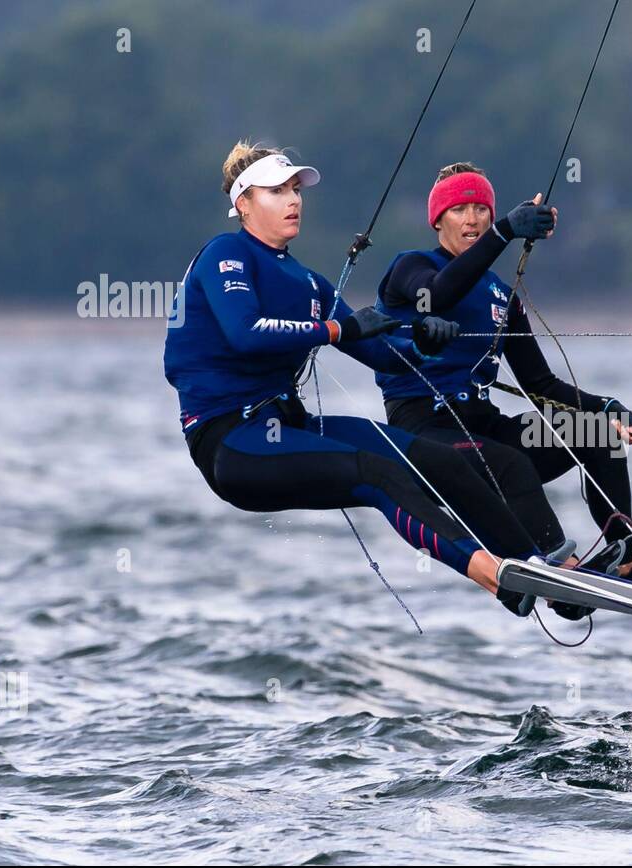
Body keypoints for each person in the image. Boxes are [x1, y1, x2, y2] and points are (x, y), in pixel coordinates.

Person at [163, 142, 554, 617]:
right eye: (276, 191)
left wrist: (422, 345)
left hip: (290, 427)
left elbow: (383, 356)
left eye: (295, 189)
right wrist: (334, 328)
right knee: (378, 473)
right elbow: (245, 334)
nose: (293, 200)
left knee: (440, 463)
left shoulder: (311, 284)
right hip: (232, 443)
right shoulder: (225, 254)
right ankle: (499, 578)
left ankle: (538, 566)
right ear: (243, 203)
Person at [372, 162, 632, 602]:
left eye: (481, 209)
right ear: (438, 220)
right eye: (459, 209)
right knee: (510, 462)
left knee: (598, 436)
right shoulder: (410, 268)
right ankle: (558, 571)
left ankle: (626, 561)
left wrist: (605, 407)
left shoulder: (500, 297)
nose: (471, 219)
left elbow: (540, 384)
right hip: (424, 432)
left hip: (482, 425)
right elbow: (440, 293)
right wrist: (504, 231)